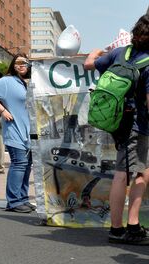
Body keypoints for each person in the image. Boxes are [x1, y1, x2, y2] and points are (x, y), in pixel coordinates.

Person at [83, 14, 149, 245]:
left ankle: (126, 226)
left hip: (118, 121)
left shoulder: (121, 53)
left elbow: (88, 64)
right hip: (136, 125)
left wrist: (95, 51)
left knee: (136, 171)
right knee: (130, 174)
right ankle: (123, 228)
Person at [0, 53, 35, 213]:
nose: (21, 65)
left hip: (29, 132)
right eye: (18, 63)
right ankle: (14, 201)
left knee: (27, 165)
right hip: (14, 129)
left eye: (25, 63)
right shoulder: (7, 81)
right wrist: (2, 110)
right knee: (19, 164)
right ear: (13, 64)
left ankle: (22, 198)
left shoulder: (25, 83)